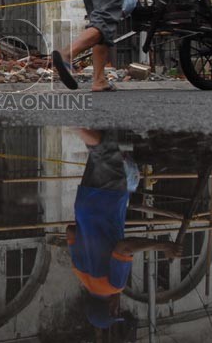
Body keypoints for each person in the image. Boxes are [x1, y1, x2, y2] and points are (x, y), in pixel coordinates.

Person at [67, 128, 183, 330]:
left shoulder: (113, 285)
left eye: (117, 312)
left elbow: (123, 248)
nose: (119, 308)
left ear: (112, 309)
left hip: (108, 201)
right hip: (85, 204)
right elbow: (70, 232)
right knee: (100, 149)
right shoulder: (80, 273)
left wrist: (163, 245)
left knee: (105, 148)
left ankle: (66, 120)